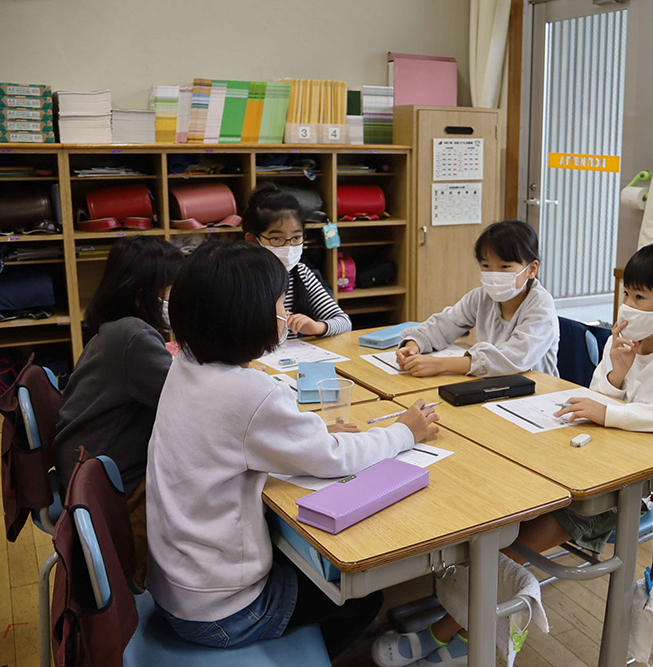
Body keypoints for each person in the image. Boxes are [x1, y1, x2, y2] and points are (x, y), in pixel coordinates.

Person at [372, 242, 653, 667]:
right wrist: (615, 376)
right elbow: (595, 401)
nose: (626, 305)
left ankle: (451, 634)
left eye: (638, 298)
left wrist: (613, 410)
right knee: (496, 519)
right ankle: (464, 615)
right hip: (590, 465)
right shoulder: (625, 341)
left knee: (511, 551)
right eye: (626, 294)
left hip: (632, 490)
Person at [145, 241, 439, 659]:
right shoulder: (248, 393)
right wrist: (404, 431)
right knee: (364, 595)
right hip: (222, 612)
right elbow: (333, 459)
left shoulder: (186, 363)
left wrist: (309, 436)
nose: (285, 315)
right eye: (281, 305)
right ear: (248, 317)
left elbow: (244, 441)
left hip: (177, 585)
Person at [53, 236, 183, 586]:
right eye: (174, 290)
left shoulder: (118, 329)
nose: (183, 299)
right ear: (143, 294)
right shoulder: (134, 337)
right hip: (108, 486)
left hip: (86, 469)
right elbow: (190, 401)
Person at [396, 220, 559, 378]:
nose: (495, 275)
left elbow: (512, 359)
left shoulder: (541, 306)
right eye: (486, 266)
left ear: (531, 269)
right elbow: (443, 325)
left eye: (505, 267)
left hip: (535, 392)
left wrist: (440, 365)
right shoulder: (481, 297)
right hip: (490, 383)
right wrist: (413, 346)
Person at [242, 183, 350, 337]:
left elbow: (344, 321)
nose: (288, 246)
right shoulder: (240, 277)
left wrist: (317, 327)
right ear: (253, 240)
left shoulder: (301, 273)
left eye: (296, 238)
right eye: (277, 238)